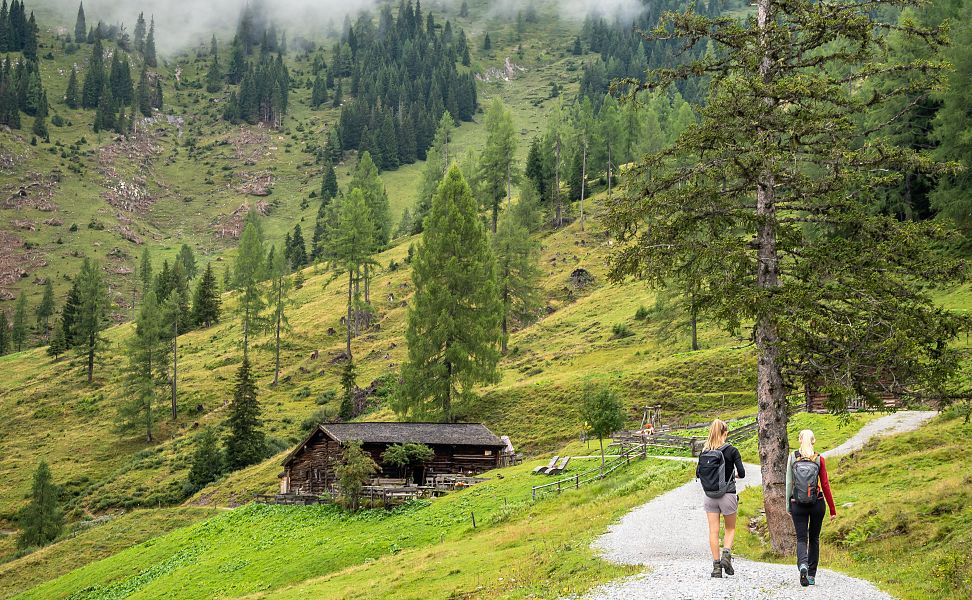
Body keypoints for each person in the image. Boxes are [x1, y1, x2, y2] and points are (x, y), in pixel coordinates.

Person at [786, 429, 837, 587]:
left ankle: (803, 564)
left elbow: (789, 483)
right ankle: (812, 575)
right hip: (817, 503)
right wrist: (832, 510)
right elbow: (825, 485)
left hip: (798, 504)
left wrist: (788, 505)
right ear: (813, 441)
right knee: (814, 538)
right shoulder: (819, 459)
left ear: (800, 440)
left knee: (801, 539)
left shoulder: (792, 457)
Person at [696, 419, 745, 578]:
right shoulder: (732, 450)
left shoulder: (705, 451)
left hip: (709, 496)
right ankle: (726, 555)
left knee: (713, 531)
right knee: (730, 528)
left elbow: (698, 474)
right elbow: (742, 473)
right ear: (725, 433)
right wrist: (732, 475)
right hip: (727, 495)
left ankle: (716, 568)